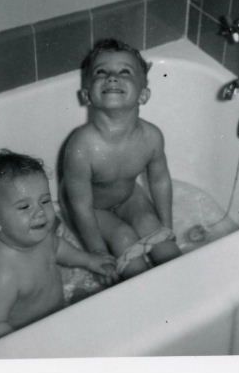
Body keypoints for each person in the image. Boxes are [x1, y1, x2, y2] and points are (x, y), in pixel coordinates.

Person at [62, 38, 182, 280]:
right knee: (123, 237)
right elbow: (80, 206)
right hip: (90, 208)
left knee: (153, 228)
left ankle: (179, 292)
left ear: (143, 94)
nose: (112, 77)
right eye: (101, 72)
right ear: (87, 95)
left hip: (128, 196)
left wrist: (167, 227)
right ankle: (144, 301)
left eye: (125, 71)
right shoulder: (81, 146)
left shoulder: (151, 137)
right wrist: (97, 254)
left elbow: (159, 181)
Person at [0, 150, 116, 342]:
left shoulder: (36, 235)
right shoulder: (4, 271)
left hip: (57, 314)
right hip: (32, 335)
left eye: (44, 200)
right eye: (24, 207)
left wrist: (88, 260)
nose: (40, 212)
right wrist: (20, 349)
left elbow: (57, 247)